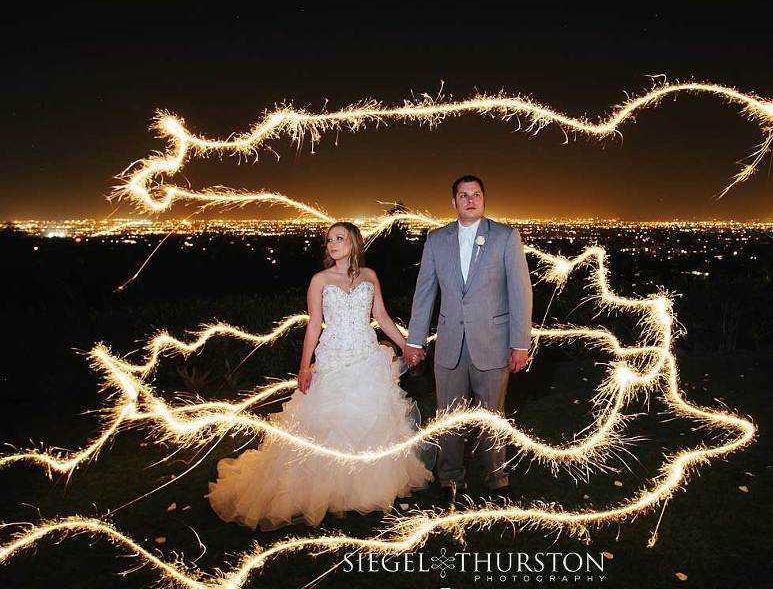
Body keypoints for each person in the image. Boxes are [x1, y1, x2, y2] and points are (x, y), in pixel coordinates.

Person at [207, 221, 433, 530]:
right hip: (333, 359)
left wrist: (405, 346)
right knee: (329, 423)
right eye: (329, 240)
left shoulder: (369, 276)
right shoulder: (319, 280)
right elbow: (314, 324)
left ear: (354, 243)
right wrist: (304, 367)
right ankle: (326, 490)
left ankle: (364, 490)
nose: (332, 244)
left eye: (339, 238)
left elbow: (380, 316)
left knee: (370, 421)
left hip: (366, 357)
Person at [405, 175, 533, 508]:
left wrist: (520, 343)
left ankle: (498, 482)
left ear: (484, 199)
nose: (470, 200)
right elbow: (424, 295)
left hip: (493, 344)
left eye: (476, 194)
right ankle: (449, 480)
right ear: (454, 202)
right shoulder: (436, 240)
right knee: (449, 417)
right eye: (464, 195)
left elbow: (521, 294)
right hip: (449, 346)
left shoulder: (505, 237)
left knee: (493, 417)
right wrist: (415, 341)